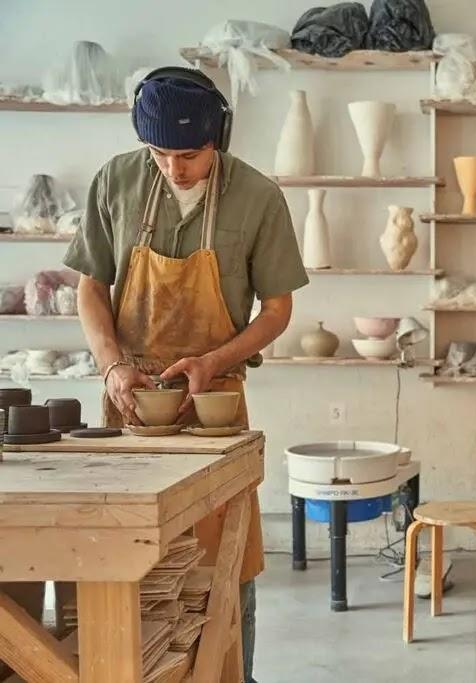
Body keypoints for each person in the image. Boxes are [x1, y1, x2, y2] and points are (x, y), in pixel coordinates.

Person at [63, 67, 308, 682]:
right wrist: (113, 364)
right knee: (125, 554)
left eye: (190, 155)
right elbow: (91, 287)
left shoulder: (258, 197)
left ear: (217, 139)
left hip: (213, 403)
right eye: (161, 153)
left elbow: (278, 309)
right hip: (130, 402)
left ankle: (232, 674)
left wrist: (215, 360)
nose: (175, 168)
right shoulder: (115, 181)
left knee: (225, 558)